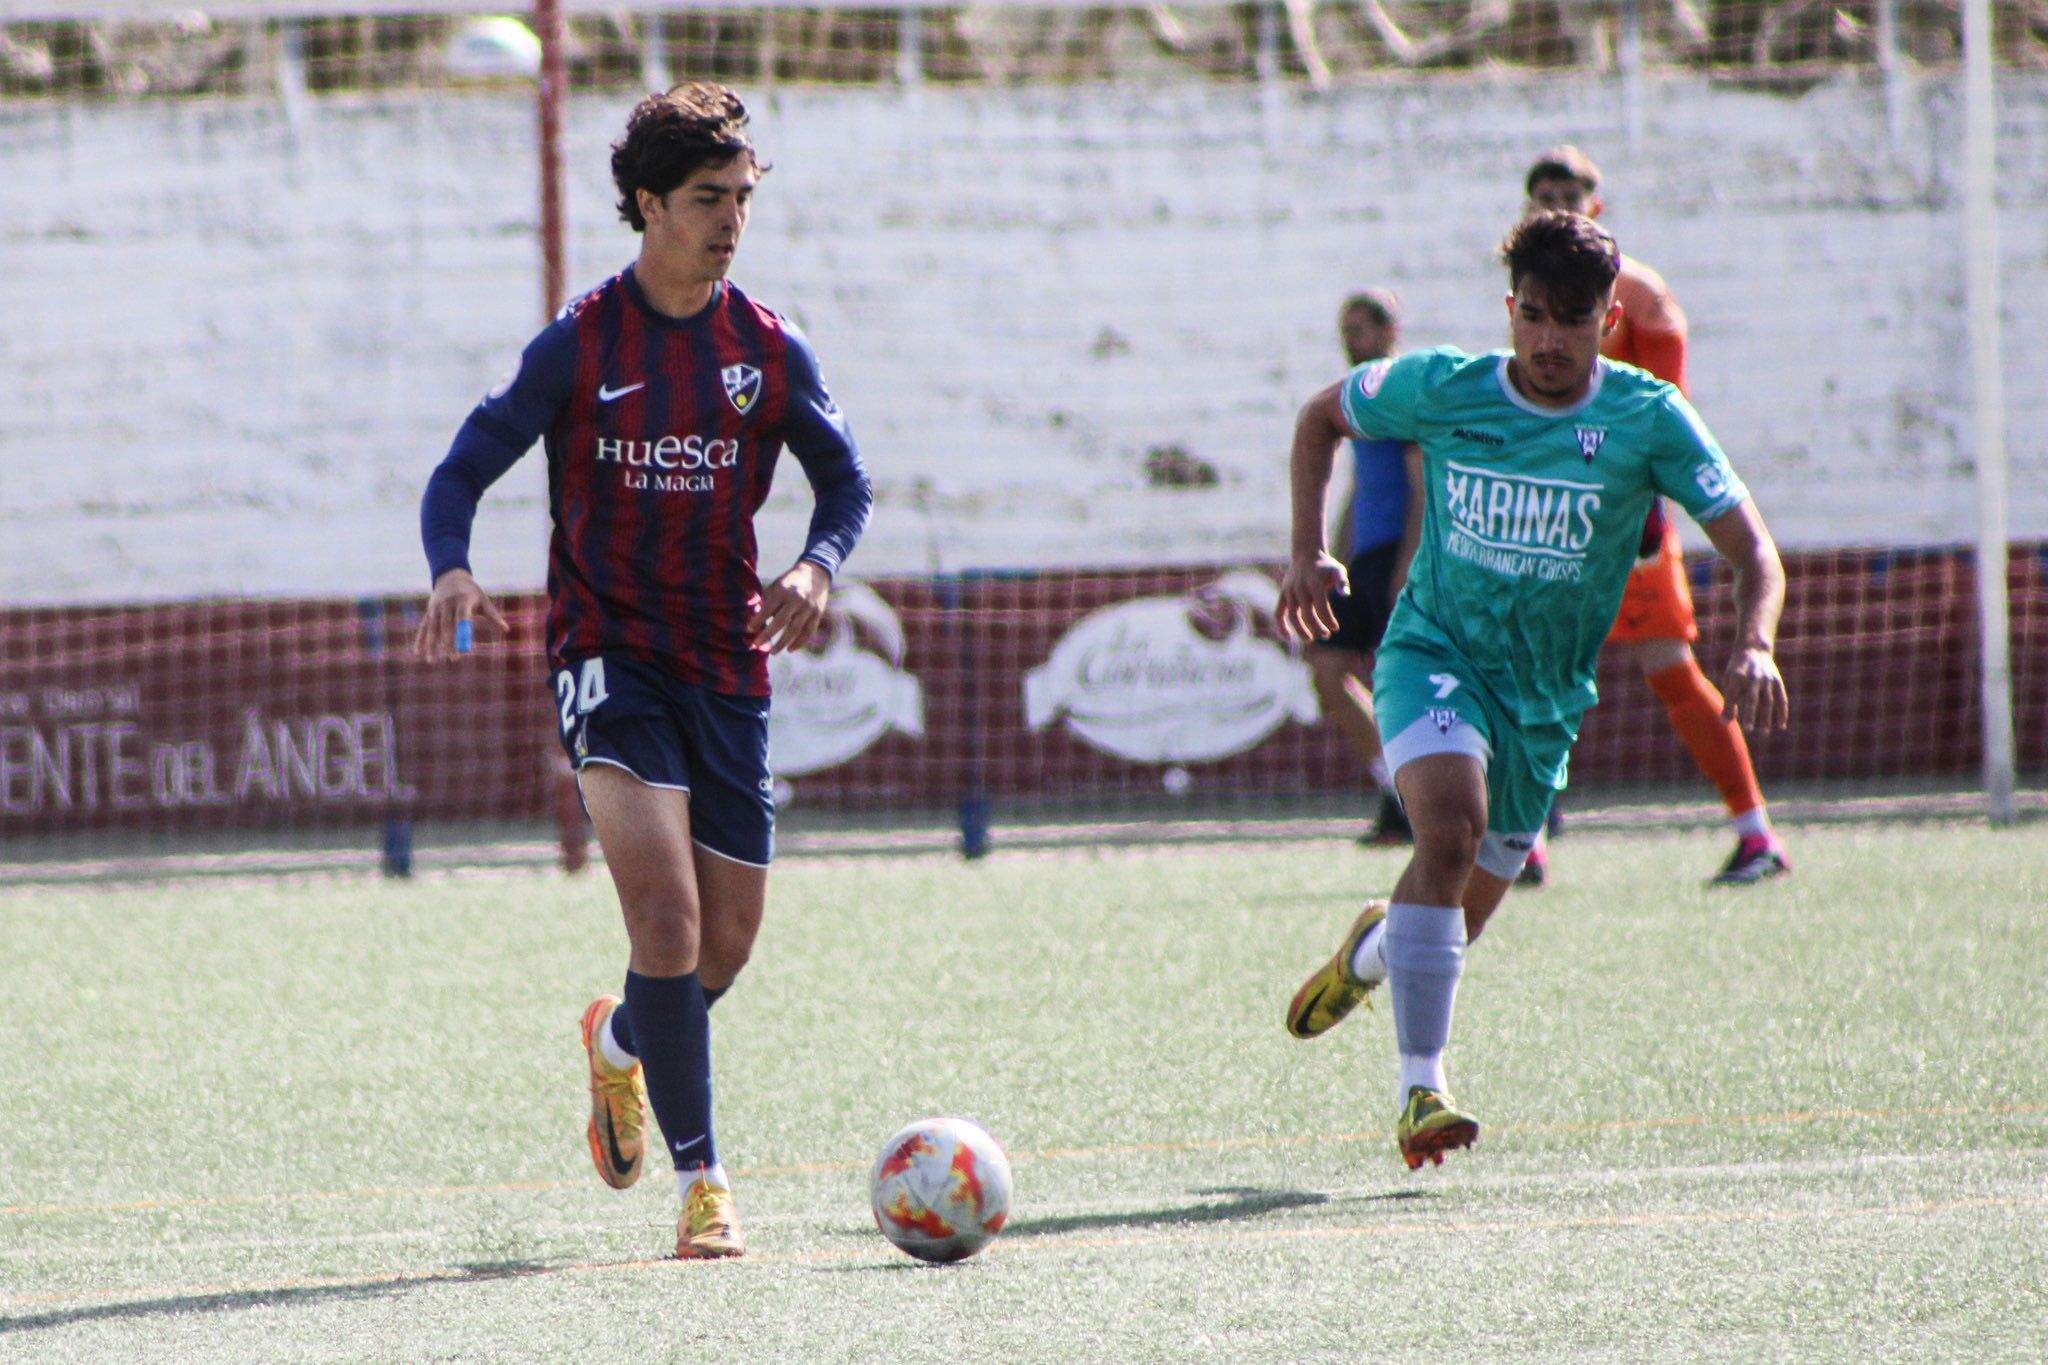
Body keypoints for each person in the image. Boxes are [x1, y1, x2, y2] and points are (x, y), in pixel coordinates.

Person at [413, 84, 873, 1258]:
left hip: (726, 659)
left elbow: (846, 482)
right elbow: (461, 468)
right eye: (707, 200)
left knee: (723, 946)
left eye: (742, 199)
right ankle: (704, 1184)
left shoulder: (767, 348)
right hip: (605, 653)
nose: (729, 221)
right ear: (647, 204)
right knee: (665, 918)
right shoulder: (582, 342)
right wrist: (452, 571)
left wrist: (819, 567)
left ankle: (619, 1044)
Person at [1277, 211, 1787, 1169]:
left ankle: (1371, 956)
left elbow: (1755, 549)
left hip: (1547, 699)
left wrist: (1754, 641)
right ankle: (1420, 1091)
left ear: (1608, 320)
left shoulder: (1647, 417)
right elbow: (1320, 418)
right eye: (1537, 316)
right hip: (1433, 652)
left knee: (1450, 917)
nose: (1552, 340)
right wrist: (1308, 550)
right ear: (1511, 311)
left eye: (1575, 319)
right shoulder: (1444, 386)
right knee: (1448, 828)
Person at [1520, 147, 1790, 887]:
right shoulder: (1527, 294)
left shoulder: (1640, 298)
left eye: (1570, 193)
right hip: (1548, 523)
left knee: (1670, 674)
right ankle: (1524, 844)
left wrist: (1641, 508)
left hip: (1626, 528)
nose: (1559, 203)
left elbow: (1664, 417)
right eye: (1545, 194)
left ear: (1596, 205)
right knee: (1527, 674)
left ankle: (1755, 832)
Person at [1311, 290, 1423, 845]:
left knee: (1401, 682)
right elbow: (1362, 486)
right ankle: (1397, 791)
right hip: (1364, 558)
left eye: (1359, 328)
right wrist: (1330, 557)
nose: (1350, 341)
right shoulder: (1360, 397)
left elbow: (1420, 483)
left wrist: (1409, 560)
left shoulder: (1402, 392)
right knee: (1328, 665)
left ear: (1387, 330)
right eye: (1344, 330)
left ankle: (1440, 793)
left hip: (1398, 555)